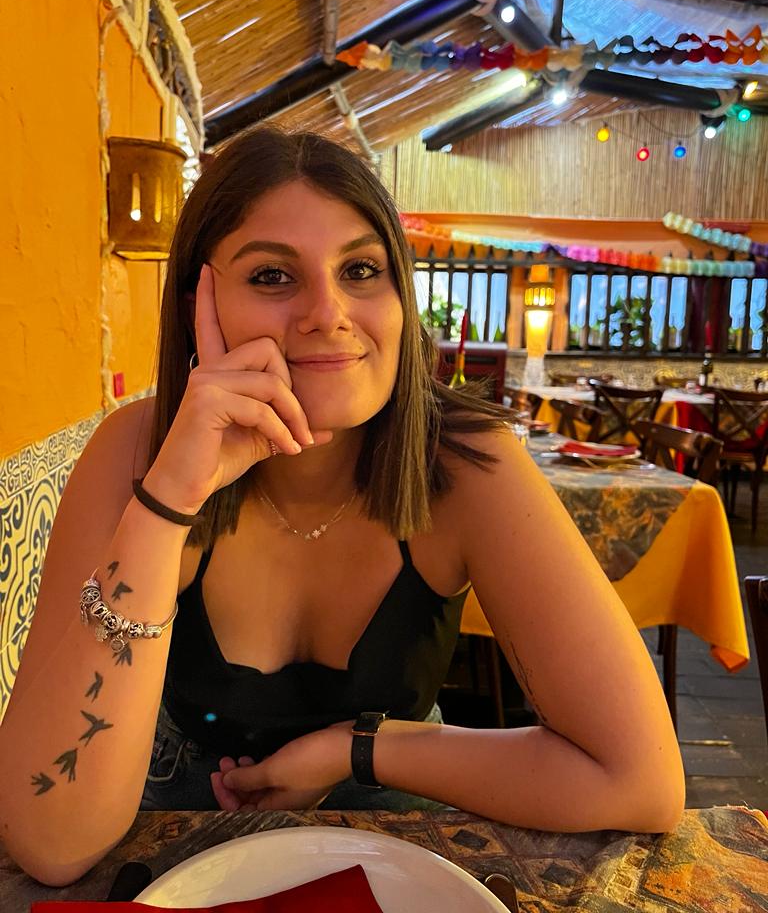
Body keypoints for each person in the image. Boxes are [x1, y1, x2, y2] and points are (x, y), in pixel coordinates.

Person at [0, 126, 684, 886]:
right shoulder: (135, 452)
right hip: (172, 828)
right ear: (201, 303)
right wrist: (167, 505)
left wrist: (357, 748)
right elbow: (51, 843)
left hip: (409, 824)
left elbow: (640, 782)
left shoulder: (467, 464)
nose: (328, 312)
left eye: (361, 269)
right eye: (272, 276)